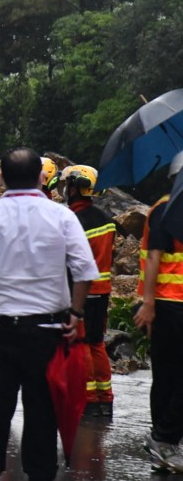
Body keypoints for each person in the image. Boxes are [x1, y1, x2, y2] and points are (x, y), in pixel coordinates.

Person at [0, 147, 98, 481]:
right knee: (42, 412)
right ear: (41, 177)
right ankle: (40, 472)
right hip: (47, 331)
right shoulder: (62, 216)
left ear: (2, 176)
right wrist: (75, 312)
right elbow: (85, 269)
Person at [134, 150, 183, 473]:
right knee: (166, 374)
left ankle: (164, 439)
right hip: (168, 305)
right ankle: (164, 438)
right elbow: (154, 258)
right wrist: (148, 303)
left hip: (172, 306)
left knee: (168, 375)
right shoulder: (166, 209)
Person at [60, 164, 116, 417]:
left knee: (83, 344)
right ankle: (105, 398)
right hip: (102, 290)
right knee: (97, 344)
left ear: (74, 188)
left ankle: (90, 399)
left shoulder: (75, 221)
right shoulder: (106, 220)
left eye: (67, 185)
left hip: (82, 291)